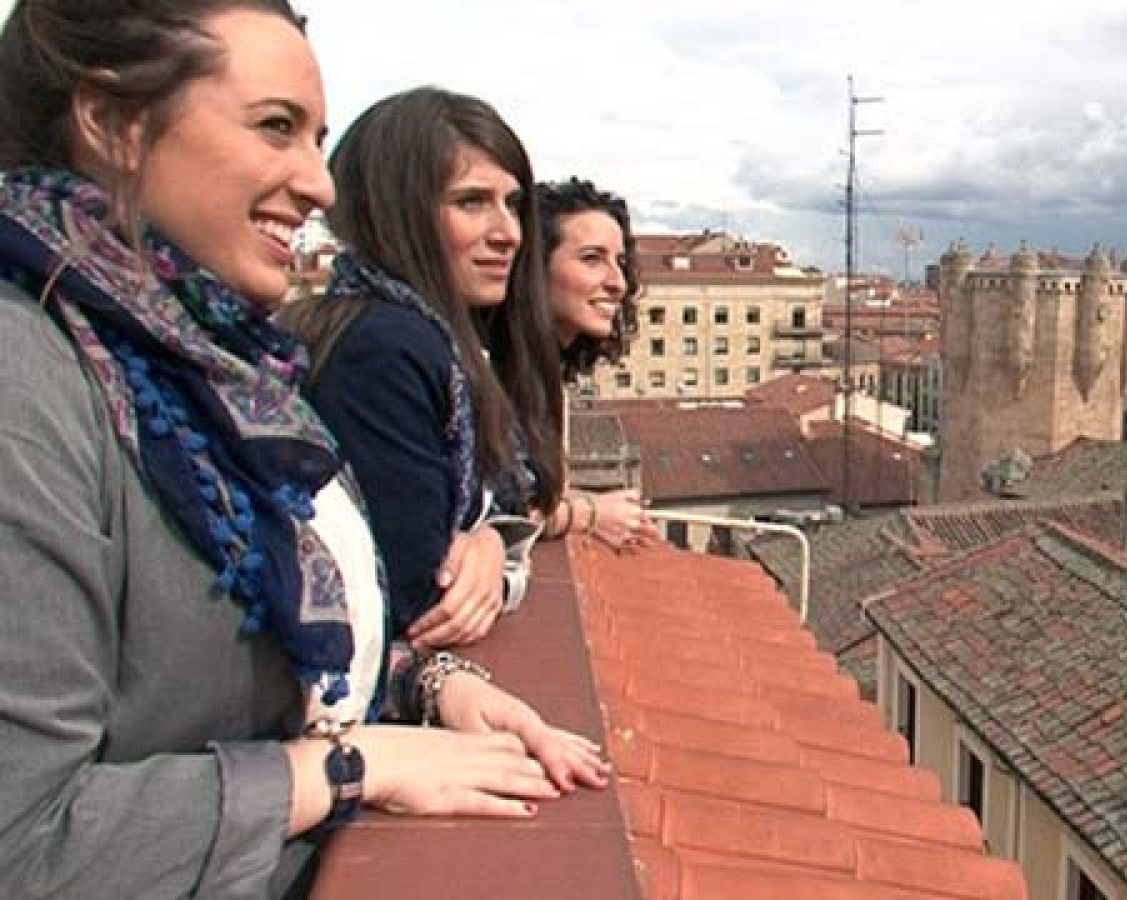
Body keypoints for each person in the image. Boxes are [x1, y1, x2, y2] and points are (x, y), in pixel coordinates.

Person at [0, 5, 605, 897]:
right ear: (114, 124)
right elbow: (24, 840)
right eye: (275, 127)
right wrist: (350, 769)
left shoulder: (220, 373)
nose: (320, 186)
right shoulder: (30, 383)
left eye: (316, 138)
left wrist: (427, 684)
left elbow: (280, 658)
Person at [280, 87, 567, 647]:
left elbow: (511, 499)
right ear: (398, 213)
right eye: (471, 202)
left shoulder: (422, 339)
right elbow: (425, 599)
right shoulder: (386, 349)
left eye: (512, 203)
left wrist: (490, 541)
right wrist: (506, 564)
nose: (508, 232)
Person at [532, 177, 654, 549]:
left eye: (620, 262)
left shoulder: (543, 373)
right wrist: (589, 514)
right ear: (533, 267)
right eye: (591, 259)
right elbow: (489, 512)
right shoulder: (492, 374)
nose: (618, 282)